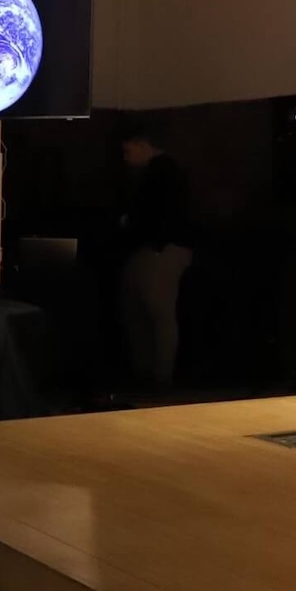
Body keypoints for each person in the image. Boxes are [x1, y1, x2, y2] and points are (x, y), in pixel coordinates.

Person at [116, 124, 194, 391]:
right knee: (149, 312)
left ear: (142, 145)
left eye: (128, 150)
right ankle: (155, 374)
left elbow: (158, 214)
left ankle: (157, 377)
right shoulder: (165, 171)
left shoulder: (160, 174)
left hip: (159, 248)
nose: (126, 158)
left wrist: (147, 235)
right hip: (160, 247)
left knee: (155, 312)